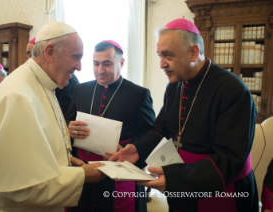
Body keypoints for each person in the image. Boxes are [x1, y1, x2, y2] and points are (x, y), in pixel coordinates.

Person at [110, 18, 258, 212]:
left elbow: (229, 159)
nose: (162, 63)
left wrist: (177, 178)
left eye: (168, 55)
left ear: (194, 52)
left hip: (221, 191)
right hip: (181, 184)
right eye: (159, 55)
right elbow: (161, 130)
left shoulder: (233, 91)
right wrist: (138, 150)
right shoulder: (175, 85)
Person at [0, 21, 105, 212]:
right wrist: (83, 175)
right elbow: (23, 187)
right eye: (75, 57)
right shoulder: (18, 95)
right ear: (49, 52)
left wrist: (62, 158)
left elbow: (35, 143)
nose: (80, 67)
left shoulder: (42, 82)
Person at [66, 40, 155, 212]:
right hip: (82, 167)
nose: (100, 70)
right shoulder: (80, 90)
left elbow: (150, 133)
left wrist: (133, 148)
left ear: (121, 63)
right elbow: (67, 121)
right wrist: (68, 128)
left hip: (120, 170)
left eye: (107, 64)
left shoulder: (139, 94)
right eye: (95, 63)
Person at [27, 37, 80, 115]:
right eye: (28, 54)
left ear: (47, 54)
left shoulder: (67, 78)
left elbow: (67, 115)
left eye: (34, 55)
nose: (31, 59)